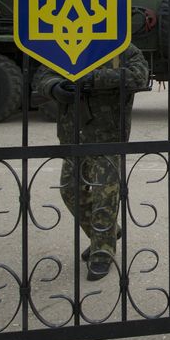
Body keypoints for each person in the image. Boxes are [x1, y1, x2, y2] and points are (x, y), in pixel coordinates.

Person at [36, 43, 150, 281]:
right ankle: (108, 232)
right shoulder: (64, 44)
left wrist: (94, 79)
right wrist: (55, 87)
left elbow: (140, 76)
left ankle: (102, 251)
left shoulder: (122, 48)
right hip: (73, 134)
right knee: (70, 191)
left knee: (104, 196)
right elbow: (43, 75)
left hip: (107, 135)